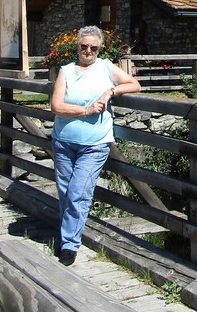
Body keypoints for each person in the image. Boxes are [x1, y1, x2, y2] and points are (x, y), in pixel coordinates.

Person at [49, 25, 140, 266]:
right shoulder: (66, 71)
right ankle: (68, 234)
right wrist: (85, 110)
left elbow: (134, 84)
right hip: (64, 142)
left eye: (93, 47)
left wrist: (111, 91)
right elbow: (57, 106)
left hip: (95, 144)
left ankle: (69, 243)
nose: (88, 51)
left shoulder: (106, 67)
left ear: (99, 49)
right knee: (66, 192)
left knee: (78, 192)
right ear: (77, 46)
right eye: (84, 46)